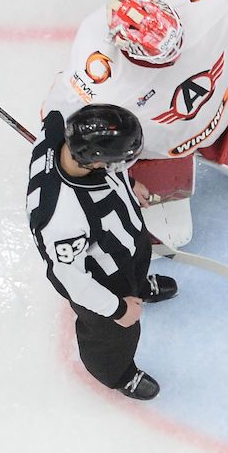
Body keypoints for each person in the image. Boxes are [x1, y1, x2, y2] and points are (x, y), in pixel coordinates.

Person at [41, 0, 228, 246]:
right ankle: (155, 183)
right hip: (153, 148)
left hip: (225, 101)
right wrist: (100, 176)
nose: (176, 53)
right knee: (121, 152)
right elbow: (63, 123)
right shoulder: (96, 73)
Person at [27, 103, 178, 400]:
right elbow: (72, 281)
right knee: (113, 333)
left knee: (139, 260)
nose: (123, 166)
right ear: (96, 162)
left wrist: (128, 182)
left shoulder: (59, 127)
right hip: (103, 280)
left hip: (123, 240)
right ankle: (116, 372)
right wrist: (117, 309)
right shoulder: (61, 219)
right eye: (120, 161)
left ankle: (138, 287)